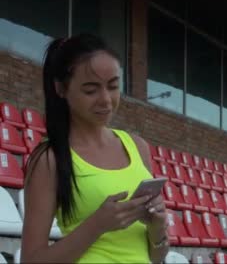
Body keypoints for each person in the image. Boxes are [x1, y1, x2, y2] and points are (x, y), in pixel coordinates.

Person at [21, 34, 169, 263]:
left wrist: (158, 227)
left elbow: (156, 256)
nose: (106, 100)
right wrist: (98, 224)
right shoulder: (50, 159)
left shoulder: (138, 147)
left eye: (113, 87)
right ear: (61, 89)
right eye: (91, 90)